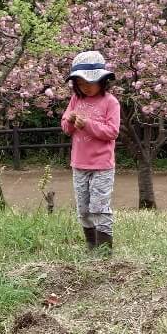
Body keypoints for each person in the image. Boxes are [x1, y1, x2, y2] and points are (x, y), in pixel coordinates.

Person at [61, 51, 120, 255]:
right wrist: (69, 122)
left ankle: (104, 251)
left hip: (102, 165)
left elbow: (112, 132)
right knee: (83, 209)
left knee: (99, 207)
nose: (85, 86)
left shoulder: (110, 102)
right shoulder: (75, 101)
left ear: (103, 80)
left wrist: (88, 125)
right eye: (80, 81)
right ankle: (91, 246)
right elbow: (65, 127)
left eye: (90, 81)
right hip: (79, 164)